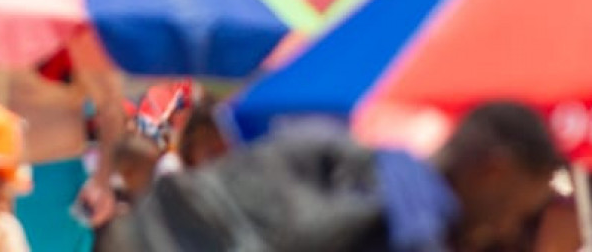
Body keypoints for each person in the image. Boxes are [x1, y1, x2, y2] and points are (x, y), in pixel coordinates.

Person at [105, 100, 563, 252]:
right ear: (493, 170)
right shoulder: (415, 226)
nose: (507, 228)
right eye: (518, 211)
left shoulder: (332, 146)